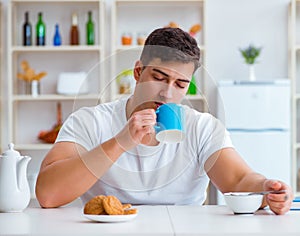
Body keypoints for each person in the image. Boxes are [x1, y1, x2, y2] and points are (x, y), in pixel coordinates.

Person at [36, 27, 293, 215]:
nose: (167, 93)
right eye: (159, 78)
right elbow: (48, 194)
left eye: (180, 84)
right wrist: (120, 142)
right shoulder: (90, 121)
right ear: (138, 72)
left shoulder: (202, 127)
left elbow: (238, 180)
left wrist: (266, 189)